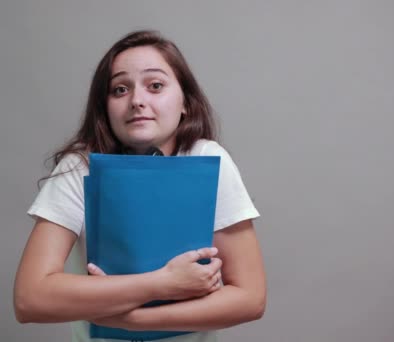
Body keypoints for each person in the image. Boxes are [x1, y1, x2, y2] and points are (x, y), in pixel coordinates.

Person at [13, 30, 266, 342]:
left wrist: (132, 321)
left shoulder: (209, 159)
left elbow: (250, 298)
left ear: (185, 102)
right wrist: (163, 283)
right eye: (120, 89)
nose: (137, 100)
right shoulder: (80, 169)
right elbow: (30, 298)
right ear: (105, 107)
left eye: (155, 86)